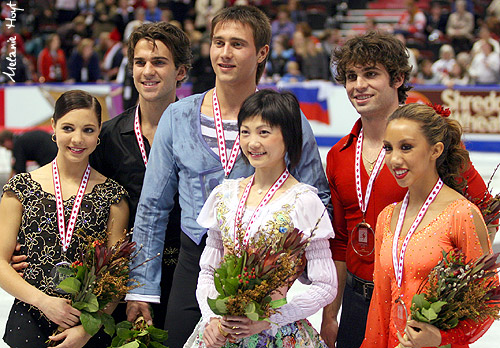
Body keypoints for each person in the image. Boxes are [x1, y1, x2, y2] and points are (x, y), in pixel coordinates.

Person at [126, 6, 329, 348]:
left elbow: (317, 200)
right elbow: (152, 209)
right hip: (195, 262)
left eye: (237, 44)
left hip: (263, 273)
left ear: (262, 52)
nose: (224, 53)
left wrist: (284, 275)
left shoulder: (288, 119)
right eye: (218, 42)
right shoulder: (177, 116)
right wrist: (142, 287)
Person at [320, 31, 494, 348]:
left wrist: (450, 291)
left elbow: (484, 212)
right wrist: (330, 315)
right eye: (351, 76)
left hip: (418, 303)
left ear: (398, 78)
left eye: (370, 74)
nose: (358, 85)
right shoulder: (337, 156)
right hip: (359, 300)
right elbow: (341, 241)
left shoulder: (427, 149)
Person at [185, 89, 336, 348]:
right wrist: (211, 318)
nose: (252, 142)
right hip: (221, 332)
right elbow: (209, 269)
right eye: (245, 131)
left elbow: (326, 285)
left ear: (288, 137)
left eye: (264, 132)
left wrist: (271, 319)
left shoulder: (304, 201)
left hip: (277, 334)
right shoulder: (225, 195)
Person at [0, 90, 129, 348]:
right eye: (68, 128)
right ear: (53, 126)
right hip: (29, 319)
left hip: (87, 328)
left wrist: (88, 329)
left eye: (89, 130)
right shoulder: (20, 188)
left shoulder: (113, 196)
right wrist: (43, 302)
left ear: (98, 135)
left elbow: (118, 276)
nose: (78, 139)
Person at [362, 103, 493, 348]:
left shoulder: (461, 214)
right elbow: (379, 307)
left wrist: (442, 338)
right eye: (388, 148)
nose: (394, 159)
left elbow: (487, 302)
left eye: (407, 147)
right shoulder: (387, 217)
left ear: (435, 150)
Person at [90, 21, 191, 330]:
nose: (148, 70)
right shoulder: (107, 137)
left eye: (159, 62)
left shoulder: (200, 134)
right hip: (125, 279)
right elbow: (83, 204)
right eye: (140, 62)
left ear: (181, 72)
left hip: (187, 274)